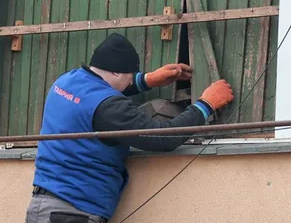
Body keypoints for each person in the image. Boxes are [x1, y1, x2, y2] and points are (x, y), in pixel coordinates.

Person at [26, 33, 234, 223]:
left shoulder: (66, 81)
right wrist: (205, 105)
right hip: (72, 214)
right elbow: (163, 138)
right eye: (130, 75)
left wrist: (147, 80)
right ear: (116, 72)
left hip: (45, 206)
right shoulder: (109, 108)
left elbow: (102, 88)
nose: (129, 82)